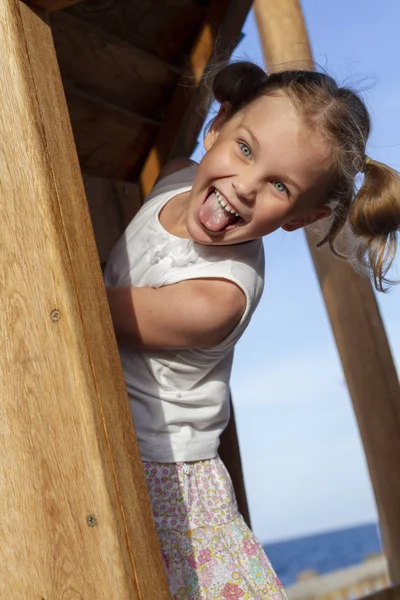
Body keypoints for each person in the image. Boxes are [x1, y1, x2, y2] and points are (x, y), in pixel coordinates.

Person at [104, 62, 400, 599]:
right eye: (244, 149)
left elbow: (88, 313)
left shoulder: (217, 296)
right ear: (217, 126)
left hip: (168, 482)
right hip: (115, 440)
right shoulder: (173, 175)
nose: (244, 186)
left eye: (279, 186)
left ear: (298, 217)